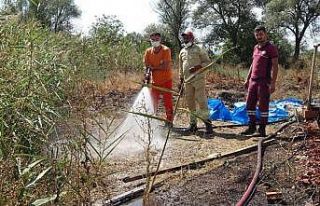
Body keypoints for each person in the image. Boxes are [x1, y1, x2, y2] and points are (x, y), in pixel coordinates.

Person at [241, 25, 279, 137]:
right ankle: (252, 127)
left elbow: (275, 66)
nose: (259, 36)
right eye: (257, 34)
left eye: (261, 34)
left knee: (263, 106)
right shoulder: (255, 48)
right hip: (253, 81)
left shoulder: (271, 48)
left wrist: (273, 83)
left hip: (264, 82)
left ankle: (262, 130)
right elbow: (253, 64)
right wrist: (247, 79)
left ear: (265, 34)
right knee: (249, 105)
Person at [178, 30, 213, 136]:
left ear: (192, 38)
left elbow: (207, 62)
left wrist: (197, 67)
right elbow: (180, 67)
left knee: (202, 102)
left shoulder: (199, 49)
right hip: (187, 81)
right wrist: (181, 79)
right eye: (184, 38)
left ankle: (208, 125)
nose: (185, 39)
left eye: (187, 37)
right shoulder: (182, 51)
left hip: (198, 79)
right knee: (190, 103)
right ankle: (193, 125)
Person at [143, 32, 174, 127]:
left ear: (160, 40)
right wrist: (147, 75)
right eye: (153, 40)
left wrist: (153, 68)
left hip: (166, 81)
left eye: (156, 39)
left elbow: (165, 66)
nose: (155, 41)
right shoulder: (148, 51)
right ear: (150, 40)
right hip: (154, 82)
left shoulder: (166, 50)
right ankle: (153, 121)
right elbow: (147, 66)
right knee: (153, 102)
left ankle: (169, 121)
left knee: (168, 102)